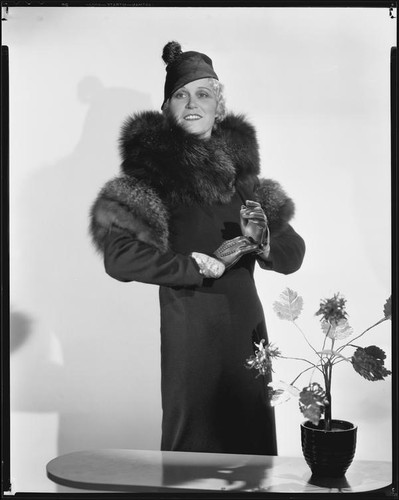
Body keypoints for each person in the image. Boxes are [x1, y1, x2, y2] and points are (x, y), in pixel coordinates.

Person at [89, 41, 305, 456]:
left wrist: (263, 243)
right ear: (167, 106)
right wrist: (192, 266)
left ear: (218, 107)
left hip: (249, 334)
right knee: (193, 451)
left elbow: (293, 254)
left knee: (253, 451)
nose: (192, 103)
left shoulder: (246, 185)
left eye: (203, 94)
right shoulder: (148, 181)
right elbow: (118, 258)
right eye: (181, 95)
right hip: (190, 334)